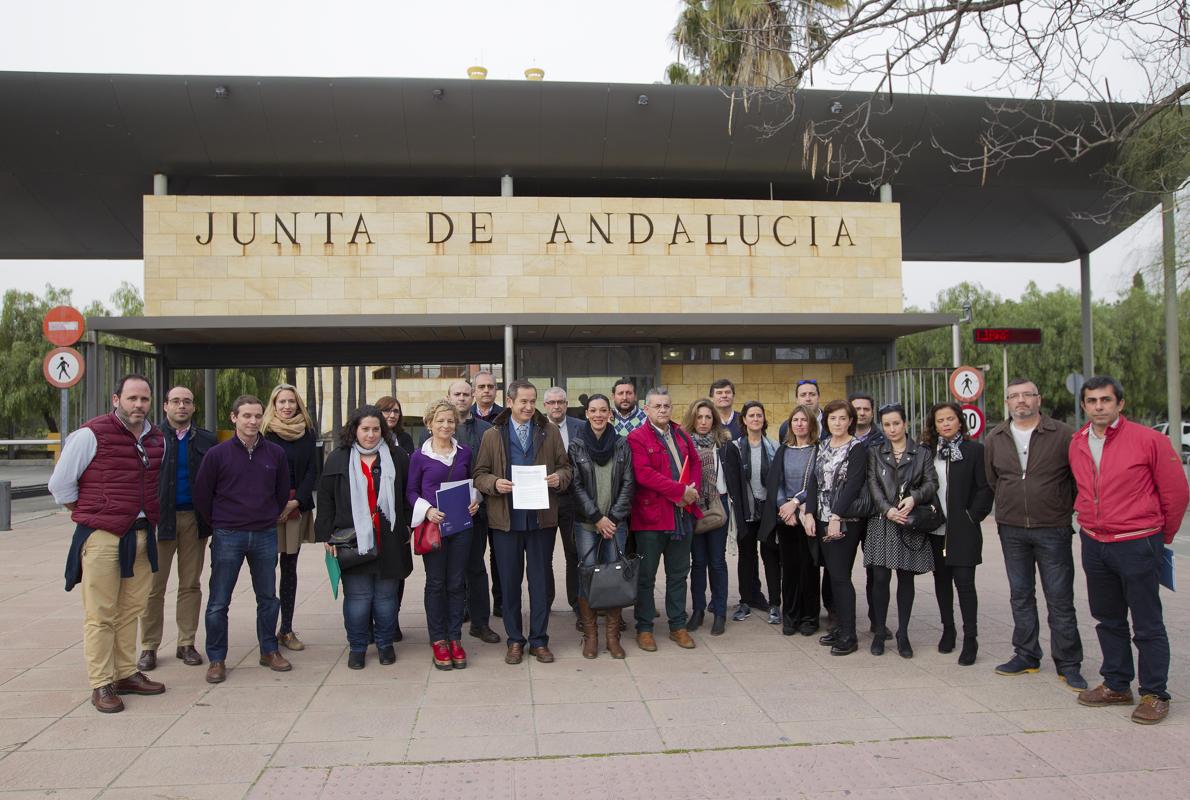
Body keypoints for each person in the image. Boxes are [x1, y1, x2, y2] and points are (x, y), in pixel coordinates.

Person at [1069, 376, 1188, 725]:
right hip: (1095, 542)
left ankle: (1155, 693)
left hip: (1137, 542)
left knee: (1147, 623)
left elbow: (1176, 493)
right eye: (1092, 401)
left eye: (1106, 400)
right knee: (1108, 618)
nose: (1099, 406)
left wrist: (1158, 536)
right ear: (1084, 406)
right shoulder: (1077, 442)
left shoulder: (1149, 440)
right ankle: (1117, 683)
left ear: (1120, 404)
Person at [49, 374, 166, 713]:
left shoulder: (156, 438)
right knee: (100, 613)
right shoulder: (90, 434)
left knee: (131, 609)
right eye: (132, 398)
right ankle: (101, 682)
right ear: (116, 400)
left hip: (142, 534)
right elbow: (60, 485)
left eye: (144, 399)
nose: (138, 405)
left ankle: (126, 672)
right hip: (103, 536)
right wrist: (91, 511)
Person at [984, 378, 1085, 687]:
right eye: (1014, 396)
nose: (1021, 400)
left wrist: (1059, 507)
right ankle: (1027, 654)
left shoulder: (1064, 434)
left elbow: (1076, 479)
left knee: (1059, 598)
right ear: (1007, 403)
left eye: (1027, 395)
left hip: (1052, 527)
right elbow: (993, 480)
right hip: (1012, 528)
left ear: (1039, 399)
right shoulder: (995, 437)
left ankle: (1068, 663)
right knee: (1021, 595)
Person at [193, 394, 292, 684]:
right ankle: (217, 658)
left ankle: (269, 650)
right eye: (247, 416)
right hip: (228, 534)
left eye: (258, 416)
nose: (253, 421)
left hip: (264, 533)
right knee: (219, 601)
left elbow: (281, 490)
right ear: (234, 418)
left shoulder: (275, 454)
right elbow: (203, 494)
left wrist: (267, 515)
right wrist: (221, 522)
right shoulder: (217, 454)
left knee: (268, 598)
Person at [474, 379, 573, 665]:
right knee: (510, 583)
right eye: (523, 402)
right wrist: (495, 483)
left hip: (541, 519)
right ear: (510, 402)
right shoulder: (493, 435)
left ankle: (539, 641)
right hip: (506, 521)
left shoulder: (550, 432)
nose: (529, 407)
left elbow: (567, 468)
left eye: (532, 401)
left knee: (540, 583)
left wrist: (559, 479)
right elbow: (479, 474)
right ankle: (515, 639)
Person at [317, 405, 413, 669]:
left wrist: (408, 526)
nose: (371, 435)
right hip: (352, 539)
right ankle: (358, 647)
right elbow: (325, 499)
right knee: (358, 599)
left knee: (385, 598)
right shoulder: (338, 458)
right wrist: (325, 535)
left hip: (390, 539)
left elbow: (408, 494)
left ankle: (384, 644)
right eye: (365, 429)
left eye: (375, 429)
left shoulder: (397, 457)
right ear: (354, 430)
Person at [137, 385, 216, 672]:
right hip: (160, 521)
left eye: (187, 402)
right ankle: (149, 646)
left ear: (194, 407)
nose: (181, 406)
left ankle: (186, 642)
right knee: (152, 588)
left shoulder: (207, 439)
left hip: (194, 521)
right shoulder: (150, 438)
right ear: (165, 406)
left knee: (190, 584)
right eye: (175, 401)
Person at [627, 387, 702, 652]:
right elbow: (643, 474)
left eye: (666, 406)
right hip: (651, 519)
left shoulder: (681, 434)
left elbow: (695, 464)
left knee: (678, 575)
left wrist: (692, 492)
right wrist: (679, 491)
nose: (662, 410)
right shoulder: (636, 438)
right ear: (646, 409)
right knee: (646, 577)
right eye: (657, 406)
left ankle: (678, 626)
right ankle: (645, 628)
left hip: (682, 517)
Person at [408, 400, 481, 669]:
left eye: (450, 421)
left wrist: (476, 500)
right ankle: (438, 639)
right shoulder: (419, 456)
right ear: (429, 424)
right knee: (436, 583)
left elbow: (473, 482)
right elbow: (411, 491)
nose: (446, 425)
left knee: (456, 582)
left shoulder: (465, 453)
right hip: (434, 528)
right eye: (440, 421)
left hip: (461, 527)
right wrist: (427, 511)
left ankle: (455, 638)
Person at [863, 403, 938, 658]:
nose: (892, 429)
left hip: (909, 520)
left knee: (906, 579)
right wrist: (886, 509)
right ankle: (880, 632)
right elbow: (872, 483)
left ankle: (903, 633)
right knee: (880, 579)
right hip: (883, 521)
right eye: (886, 424)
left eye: (896, 423)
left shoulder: (921, 452)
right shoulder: (875, 451)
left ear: (905, 423)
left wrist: (914, 499)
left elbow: (931, 482)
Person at [923, 401, 994, 666]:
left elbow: (984, 488)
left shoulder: (974, 450)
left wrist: (972, 516)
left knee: (964, 584)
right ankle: (948, 629)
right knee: (941, 581)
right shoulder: (929, 451)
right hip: (936, 527)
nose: (945, 424)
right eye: (940, 421)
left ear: (959, 421)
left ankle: (970, 638)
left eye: (950, 419)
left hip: (963, 528)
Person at [569, 393, 635, 658]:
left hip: (615, 524)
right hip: (587, 524)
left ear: (610, 414)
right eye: (593, 410)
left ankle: (612, 636)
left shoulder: (621, 445)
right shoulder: (576, 445)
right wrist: (597, 517)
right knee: (587, 574)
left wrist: (613, 519)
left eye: (603, 410)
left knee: (615, 575)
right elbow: (575, 485)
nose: (598, 415)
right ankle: (591, 636)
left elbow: (629, 484)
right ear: (586, 414)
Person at [261, 383, 318, 653]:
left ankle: (286, 629)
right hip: (267, 511)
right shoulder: (263, 434)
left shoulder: (307, 433)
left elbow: (312, 471)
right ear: (273, 404)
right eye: (282, 401)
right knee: (265, 570)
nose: (287, 406)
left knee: (289, 570)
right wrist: (275, 503)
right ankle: (267, 630)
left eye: (291, 402)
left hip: (296, 509)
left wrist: (296, 501)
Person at [442, 380, 501, 642]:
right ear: (449, 396)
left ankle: (480, 623)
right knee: (446, 571)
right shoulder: (432, 431)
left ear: (474, 396)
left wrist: (479, 497)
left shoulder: (488, 429)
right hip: (443, 513)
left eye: (467, 394)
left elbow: (490, 469)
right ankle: (447, 623)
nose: (462, 398)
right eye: (457, 394)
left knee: (475, 569)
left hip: (477, 510)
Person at [810, 399, 869, 656]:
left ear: (850, 421)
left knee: (841, 577)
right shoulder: (822, 445)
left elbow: (854, 485)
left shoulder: (856, 448)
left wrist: (836, 515)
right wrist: (809, 513)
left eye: (843, 418)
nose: (837, 423)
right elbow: (814, 481)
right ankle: (839, 626)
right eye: (833, 418)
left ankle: (849, 634)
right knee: (832, 576)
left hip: (844, 520)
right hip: (823, 518)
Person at [758, 405, 820, 636]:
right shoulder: (784, 450)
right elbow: (777, 480)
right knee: (790, 569)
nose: (800, 424)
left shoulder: (818, 450)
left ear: (811, 423)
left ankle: (809, 617)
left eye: (804, 420)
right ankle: (791, 616)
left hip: (808, 516)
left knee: (809, 568)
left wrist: (796, 504)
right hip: (786, 518)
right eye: (795, 420)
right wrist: (786, 507)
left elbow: (815, 481)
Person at [726, 401, 780, 624]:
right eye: (751, 415)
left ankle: (775, 603)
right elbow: (732, 482)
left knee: (772, 558)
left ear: (764, 419)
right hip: (746, 512)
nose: (756, 419)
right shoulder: (735, 448)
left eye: (759, 415)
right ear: (744, 420)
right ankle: (746, 600)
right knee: (747, 558)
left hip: (768, 511)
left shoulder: (774, 447)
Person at [683, 398, 732, 637]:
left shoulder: (724, 444)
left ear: (714, 419)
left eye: (708, 417)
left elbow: (734, 480)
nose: (703, 422)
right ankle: (698, 610)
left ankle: (720, 612)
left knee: (717, 561)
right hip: (693, 505)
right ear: (692, 419)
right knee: (698, 561)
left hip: (718, 505)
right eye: (699, 417)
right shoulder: (684, 443)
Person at [543, 386, 583, 624]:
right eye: (551, 402)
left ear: (566, 405)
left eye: (561, 402)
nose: (556, 406)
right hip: (545, 499)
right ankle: (544, 602)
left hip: (573, 500)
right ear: (545, 405)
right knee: (543, 555)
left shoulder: (580, 427)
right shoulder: (538, 428)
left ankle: (578, 604)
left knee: (574, 553)